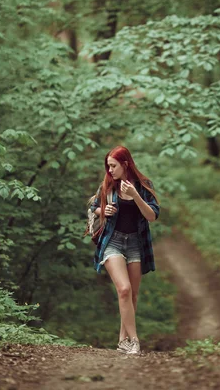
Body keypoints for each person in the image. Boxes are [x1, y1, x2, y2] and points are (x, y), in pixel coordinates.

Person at [90, 146, 160, 355]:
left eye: (113, 166)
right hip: (113, 241)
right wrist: (104, 209)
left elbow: (152, 216)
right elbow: (93, 205)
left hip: (136, 244)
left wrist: (135, 195)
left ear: (125, 165)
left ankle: (122, 340)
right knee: (124, 290)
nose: (109, 170)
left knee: (132, 295)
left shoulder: (143, 185)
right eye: (108, 166)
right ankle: (135, 341)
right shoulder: (108, 185)